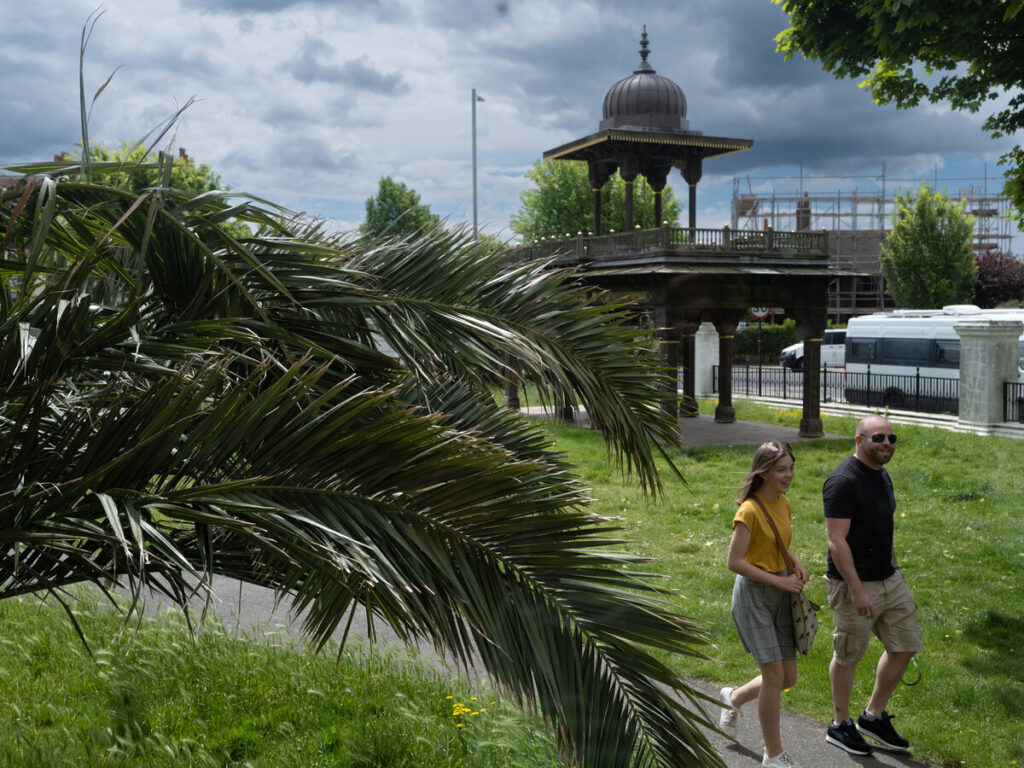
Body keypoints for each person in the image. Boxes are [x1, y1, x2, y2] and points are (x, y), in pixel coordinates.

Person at [822, 415, 923, 755]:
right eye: (878, 437)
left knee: (906, 644)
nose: (886, 444)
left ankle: (873, 716)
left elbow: (883, 525)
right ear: (859, 440)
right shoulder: (842, 481)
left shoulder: (882, 475)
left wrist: (895, 566)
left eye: (892, 438)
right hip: (853, 582)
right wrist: (857, 590)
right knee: (848, 653)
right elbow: (837, 541)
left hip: (888, 578)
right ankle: (839, 724)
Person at [719, 440, 809, 768]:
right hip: (753, 596)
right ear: (764, 473)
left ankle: (734, 697)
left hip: (779, 591)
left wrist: (794, 563)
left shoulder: (783, 503)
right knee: (773, 676)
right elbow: (734, 562)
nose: (789, 475)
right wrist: (780, 580)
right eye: (781, 470)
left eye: (791, 468)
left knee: (788, 678)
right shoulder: (749, 511)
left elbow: (776, 544)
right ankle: (773, 756)